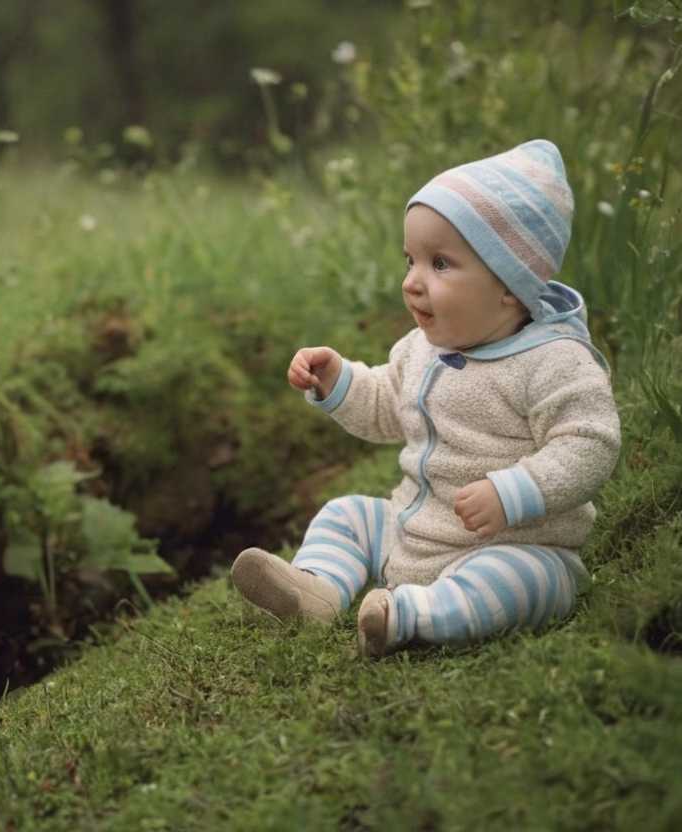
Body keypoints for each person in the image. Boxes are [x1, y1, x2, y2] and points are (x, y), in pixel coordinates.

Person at [231, 139, 621, 659]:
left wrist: (514, 492)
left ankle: (412, 615)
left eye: (439, 263)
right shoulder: (422, 349)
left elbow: (590, 442)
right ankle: (317, 590)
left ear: (509, 285)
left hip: (511, 543)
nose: (412, 283)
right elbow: (388, 403)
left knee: (523, 580)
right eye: (410, 259)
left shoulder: (555, 362)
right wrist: (337, 381)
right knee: (348, 515)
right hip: (412, 528)